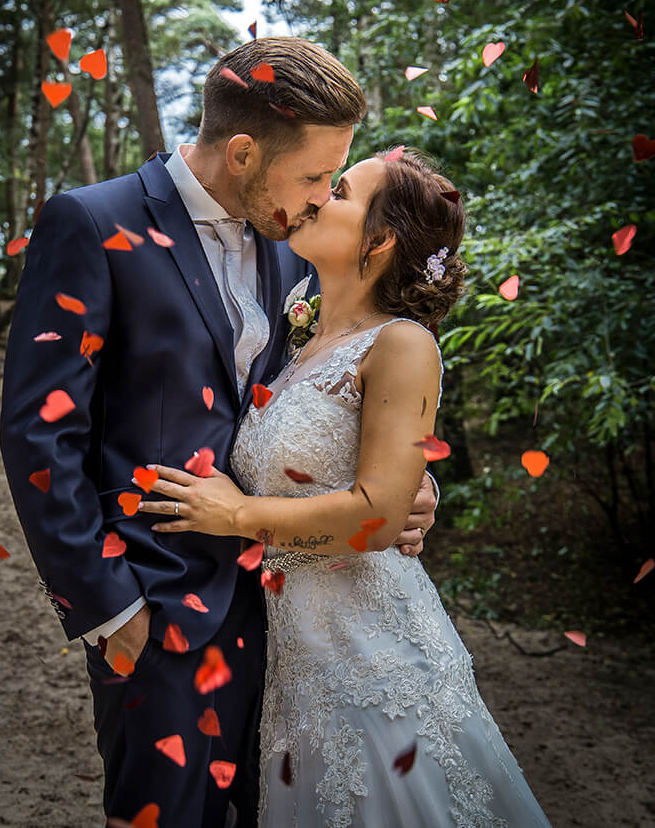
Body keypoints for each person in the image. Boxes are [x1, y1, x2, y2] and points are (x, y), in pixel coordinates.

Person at [0, 38, 439, 828]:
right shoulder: (92, 224)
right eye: (312, 177)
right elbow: (40, 435)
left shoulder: (291, 251)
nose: (317, 200)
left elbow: (330, 389)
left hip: (288, 620)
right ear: (242, 152)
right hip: (155, 615)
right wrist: (107, 607)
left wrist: (411, 481)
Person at [140, 149, 552, 827]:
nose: (315, 195)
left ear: (380, 240)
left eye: (339, 190)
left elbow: (380, 515)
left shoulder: (403, 343)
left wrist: (240, 513)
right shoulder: (295, 333)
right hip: (297, 666)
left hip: (375, 663)